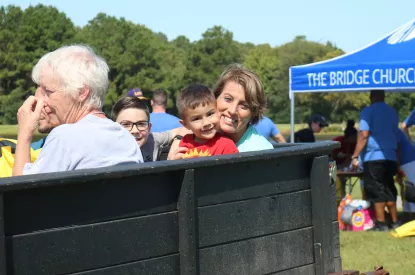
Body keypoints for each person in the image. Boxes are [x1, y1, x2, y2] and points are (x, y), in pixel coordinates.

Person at [13, 45, 143, 176]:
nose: (38, 99)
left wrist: (25, 132)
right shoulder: (126, 138)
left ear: (81, 92)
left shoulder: (65, 136)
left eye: (48, 91)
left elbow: (20, 194)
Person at [168, 64, 273, 159]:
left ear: (254, 112)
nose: (232, 111)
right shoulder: (203, 131)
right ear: (215, 97)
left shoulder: (260, 151)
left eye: (244, 105)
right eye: (228, 99)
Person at [351, 90, 400, 231]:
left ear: (371, 97)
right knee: (389, 188)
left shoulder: (368, 111)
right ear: (384, 96)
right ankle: (395, 222)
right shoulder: (392, 112)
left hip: (373, 157)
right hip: (390, 155)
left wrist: (355, 156)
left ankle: (381, 223)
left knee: (376, 190)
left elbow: (364, 135)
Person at [111, 96, 188, 162]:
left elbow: (185, 129)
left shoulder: (152, 139)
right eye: (126, 124)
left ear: (149, 127)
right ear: (113, 128)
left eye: (141, 124)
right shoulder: (106, 150)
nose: (135, 131)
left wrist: (173, 152)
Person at [175, 84, 238, 158]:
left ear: (218, 111)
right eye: (196, 119)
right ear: (185, 124)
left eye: (210, 114)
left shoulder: (227, 145)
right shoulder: (185, 143)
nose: (206, 123)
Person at [396, 129, 415, 223]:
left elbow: (398, 147)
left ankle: (411, 219)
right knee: (407, 190)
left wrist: (398, 165)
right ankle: (407, 218)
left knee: (411, 190)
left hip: (409, 161)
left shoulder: (392, 131)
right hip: (407, 161)